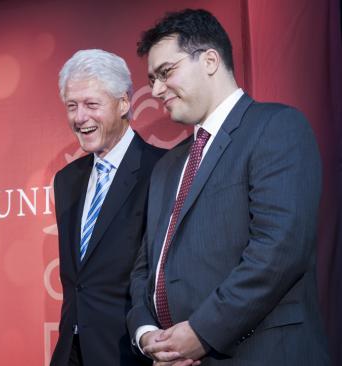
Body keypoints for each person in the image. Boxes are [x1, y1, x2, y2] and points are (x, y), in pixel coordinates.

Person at [127, 9, 331, 366]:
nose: (155, 90)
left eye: (165, 72)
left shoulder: (277, 128)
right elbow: (145, 269)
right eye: (152, 78)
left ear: (209, 60)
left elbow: (279, 250)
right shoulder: (166, 166)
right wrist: (147, 335)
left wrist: (203, 332)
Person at [50, 49, 165, 366]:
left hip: (130, 353)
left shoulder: (162, 171)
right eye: (72, 106)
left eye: (91, 104)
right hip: (71, 352)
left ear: (124, 103)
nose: (79, 117)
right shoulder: (66, 180)